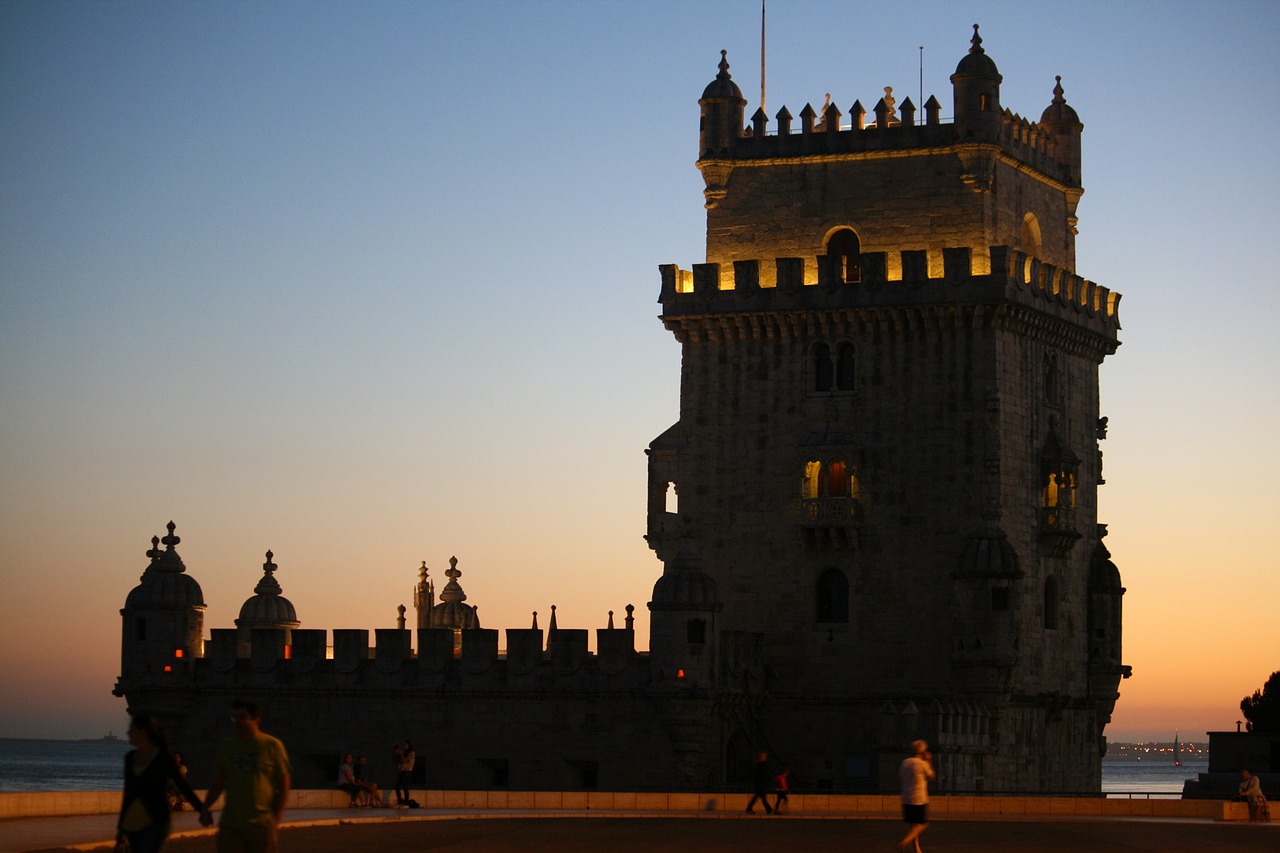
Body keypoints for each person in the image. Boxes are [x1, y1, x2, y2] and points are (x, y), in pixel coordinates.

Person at [198, 699, 291, 853]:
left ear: (256, 718)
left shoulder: (272, 745)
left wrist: (276, 818)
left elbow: (284, 783)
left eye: (242, 717)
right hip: (231, 823)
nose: (237, 722)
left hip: (261, 824)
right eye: (235, 718)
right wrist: (205, 808)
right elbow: (218, 783)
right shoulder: (228, 746)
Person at [115, 712, 204, 853]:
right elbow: (129, 794)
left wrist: (201, 810)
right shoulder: (130, 758)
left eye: (132, 729)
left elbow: (183, 786)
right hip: (134, 821)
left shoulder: (163, 757)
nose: (128, 732)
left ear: (142, 732)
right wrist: (121, 828)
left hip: (157, 820)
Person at [897, 740, 936, 853]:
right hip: (919, 799)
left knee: (913, 826)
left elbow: (901, 777)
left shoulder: (905, 763)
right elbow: (931, 776)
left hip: (906, 798)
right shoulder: (922, 764)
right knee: (922, 824)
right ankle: (904, 842)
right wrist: (928, 760)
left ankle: (917, 849)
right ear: (923, 751)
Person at [393, 740, 415, 807]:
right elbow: (397, 755)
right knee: (397, 787)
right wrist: (397, 751)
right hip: (402, 771)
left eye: (405, 745)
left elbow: (405, 760)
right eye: (403, 745)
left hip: (407, 772)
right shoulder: (405, 752)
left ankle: (406, 803)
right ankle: (400, 802)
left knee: (405, 787)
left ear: (409, 745)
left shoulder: (412, 753)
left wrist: (400, 753)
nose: (404, 746)